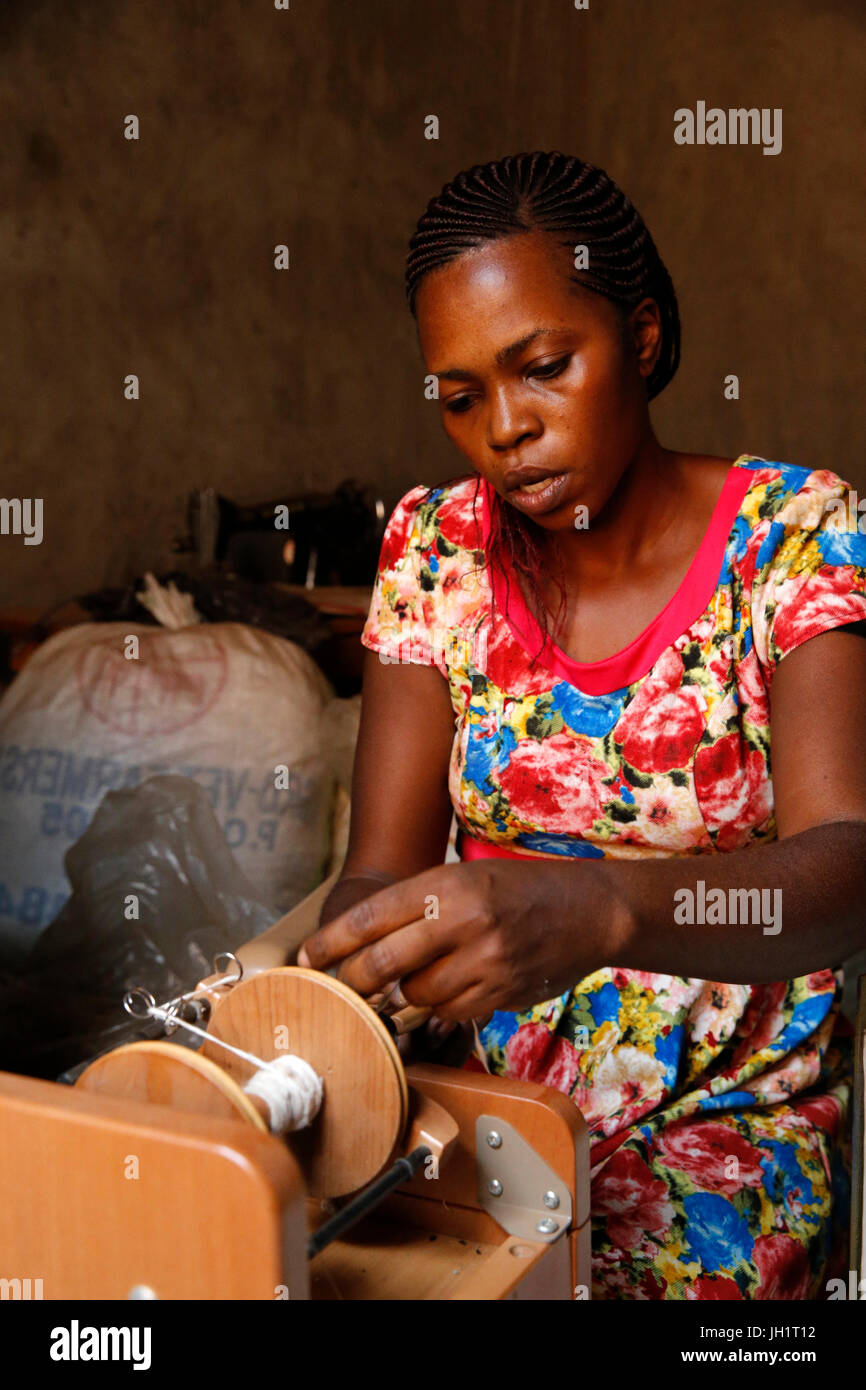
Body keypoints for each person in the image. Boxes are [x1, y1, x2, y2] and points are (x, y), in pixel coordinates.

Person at [297, 152, 866, 1300]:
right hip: (479, 1103)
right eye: (460, 397)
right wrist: (337, 986)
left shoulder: (793, 534)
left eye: (544, 367)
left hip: (726, 1117)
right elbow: (377, 871)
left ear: (642, 338)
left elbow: (843, 871)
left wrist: (599, 907)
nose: (505, 430)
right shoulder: (436, 546)